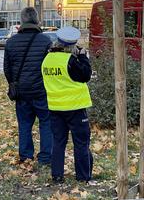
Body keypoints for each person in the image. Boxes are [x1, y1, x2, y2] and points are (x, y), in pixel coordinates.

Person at [41, 26, 93, 183]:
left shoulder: (47, 60)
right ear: (72, 45)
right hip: (75, 107)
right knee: (81, 143)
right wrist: (83, 57)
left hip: (55, 108)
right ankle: (83, 177)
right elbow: (85, 75)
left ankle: (57, 175)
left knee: (58, 142)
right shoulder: (70, 61)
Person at [3, 7, 53, 165]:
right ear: (37, 20)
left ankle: (26, 156)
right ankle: (45, 157)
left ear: (22, 21)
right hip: (41, 90)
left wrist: (14, 83)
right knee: (46, 123)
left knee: (24, 124)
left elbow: (7, 69)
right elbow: (49, 67)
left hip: (22, 91)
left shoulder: (11, 42)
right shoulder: (45, 41)